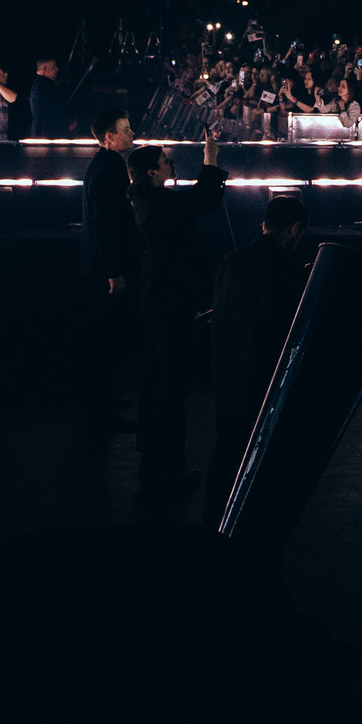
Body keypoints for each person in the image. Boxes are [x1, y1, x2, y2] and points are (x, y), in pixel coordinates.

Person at [131, 129, 227, 500]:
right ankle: (168, 464)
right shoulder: (161, 203)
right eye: (165, 161)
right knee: (172, 385)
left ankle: (151, 456)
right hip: (171, 300)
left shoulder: (145, 199)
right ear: (152, 172)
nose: (171, 164)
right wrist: (210, 159)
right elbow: (204, 200)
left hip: (155, 297)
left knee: (154, 379)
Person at [206, 195, 311, 527]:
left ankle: (213, 524)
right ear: (294, 229)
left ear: (264, 223)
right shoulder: (287, 272)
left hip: (226, 374)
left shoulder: (232, 259)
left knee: (225, 453)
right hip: (261, 380)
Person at [82, 108, 139, 433]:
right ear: (109, 137)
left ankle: (103, 403)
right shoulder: (110, 169)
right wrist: (113, 272)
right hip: (104, 269)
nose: (132, 134)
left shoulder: (104, 164)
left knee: (103, 338)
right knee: (103, 340)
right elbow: (104, 224)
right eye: (126, 129)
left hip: (98, 265)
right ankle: (100, 411)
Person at [29, 56, 74, 138]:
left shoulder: (39, 84)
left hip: (43, 132)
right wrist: (69, 120)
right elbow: (54, 107)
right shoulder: (43, 86)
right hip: (47, 133)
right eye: (53, 67)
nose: (57, 69)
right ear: (44, 69)